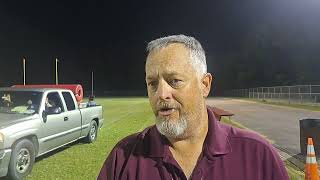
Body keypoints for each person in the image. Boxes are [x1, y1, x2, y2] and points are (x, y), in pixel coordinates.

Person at [98, 35, 289, 180]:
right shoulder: (123, 158)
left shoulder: (258, 154)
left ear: (205, 85)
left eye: (175, 81)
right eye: (152, 83)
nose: (161, 94)